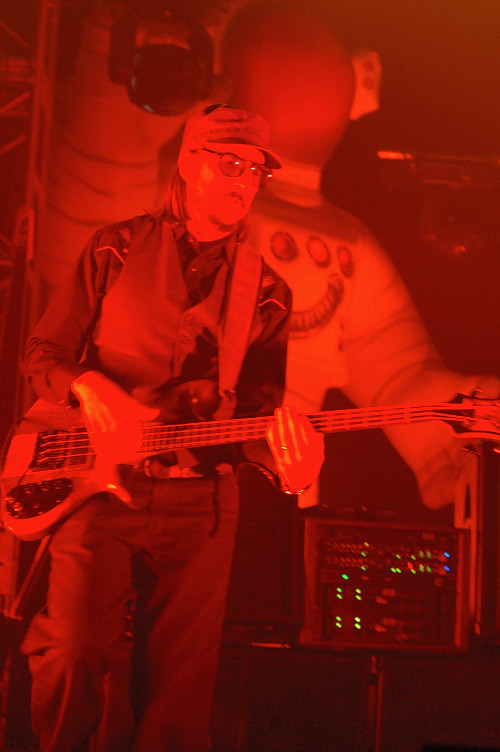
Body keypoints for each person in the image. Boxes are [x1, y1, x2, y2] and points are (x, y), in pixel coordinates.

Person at [20, 104, 325, 752]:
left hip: (200, 501)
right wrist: (88, 386)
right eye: (230, 162)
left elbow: (256, 421)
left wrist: (293, 469)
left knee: (177, 703)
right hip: (95, 488)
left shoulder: (267, 291)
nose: (245, 180)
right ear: (188, 162)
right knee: (73, 651)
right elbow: (42, 353)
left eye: (256, 170)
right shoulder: (115, 247)